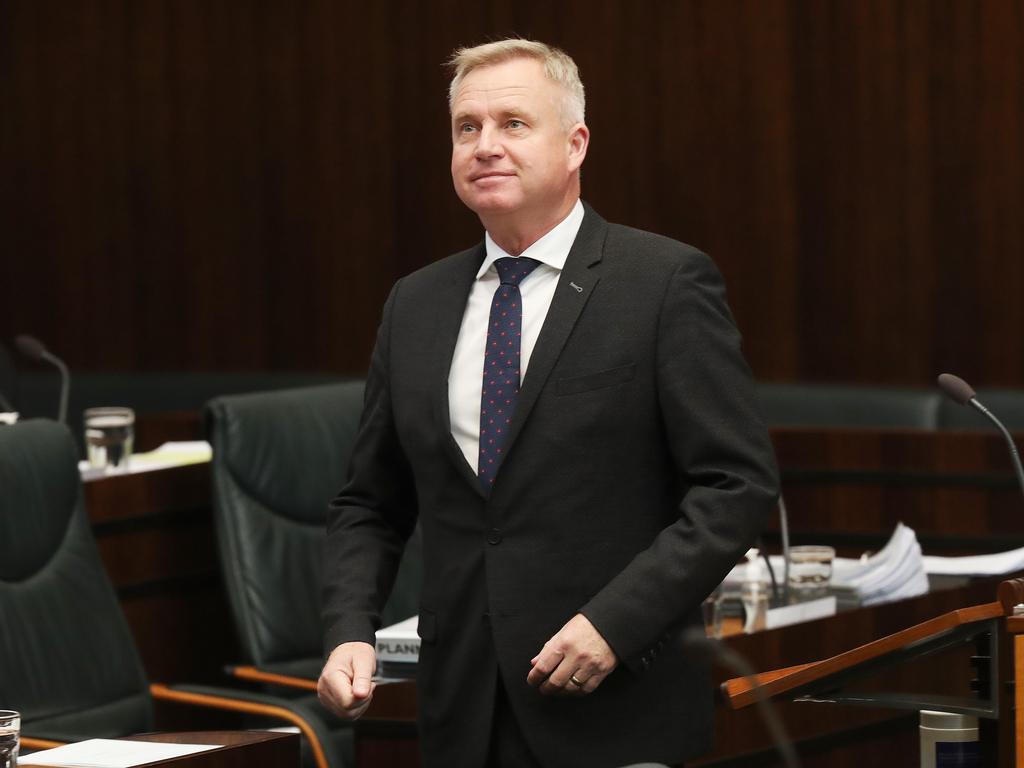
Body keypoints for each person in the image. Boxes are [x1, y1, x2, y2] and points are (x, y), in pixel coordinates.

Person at [317, 38, 779, 768]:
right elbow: (371, 502)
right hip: (461, 712)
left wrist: (615, 626)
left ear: (575, 144)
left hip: (613, 704)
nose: (485, 146)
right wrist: (350, 629)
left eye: (513, 124)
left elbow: (735, 487)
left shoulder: (661, 283)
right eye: (467, 128)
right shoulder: (417, 304)